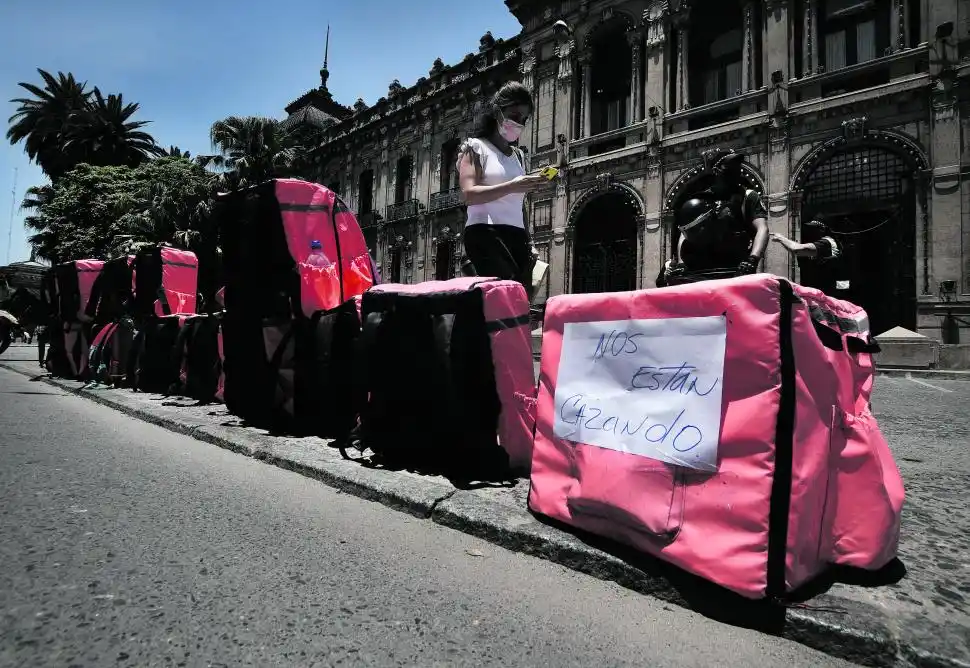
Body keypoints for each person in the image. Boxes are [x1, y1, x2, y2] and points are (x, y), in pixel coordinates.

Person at [457, 81, 548, 300]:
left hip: (517, 236)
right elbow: (469, 195)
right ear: (497, 111)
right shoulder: (475, 147)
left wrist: (530, 242)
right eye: (515, 116)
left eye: (524, 119)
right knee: (504, 296)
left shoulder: (518, 156)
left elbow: (520, 206)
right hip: (486, 232)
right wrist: (512, 186)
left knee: (519, 298)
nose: (519, 123)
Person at [661, 148, 769, 286]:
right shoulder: (701, 199)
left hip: (735, 271)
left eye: (737, 166)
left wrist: (752, 260)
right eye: (729, 166)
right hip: (701, 273)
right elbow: (686, 232)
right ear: (716, 170)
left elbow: (762, 228)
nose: (736, 170)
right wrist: (682, 264)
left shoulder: (748, 197)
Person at [770, 219, 841, 262]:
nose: (810, 232)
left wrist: (781, 238)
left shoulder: (827, 242)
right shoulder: (820, 242)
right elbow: (794, 251)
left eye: (814, 229)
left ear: (822, 230)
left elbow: (796, 250)